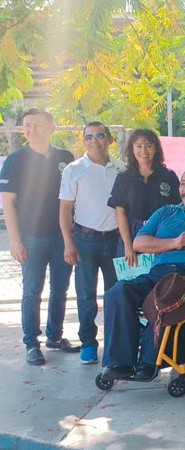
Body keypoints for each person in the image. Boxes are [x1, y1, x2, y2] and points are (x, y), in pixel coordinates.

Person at [100, 168, 185, 382]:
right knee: (117, 292)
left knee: (165, 297)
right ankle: (119, 362)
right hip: (158, 273)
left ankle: (148, 362)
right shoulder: (166, 212)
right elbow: (138, 243)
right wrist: (174, 242)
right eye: (183, 184)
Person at [0, 107, 78, 365]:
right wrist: (15, 241)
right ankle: (31, 343)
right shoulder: (15, 160)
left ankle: (54, 336)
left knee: (61, 289)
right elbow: (8, 203)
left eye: (37, 125)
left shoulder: (66, 158)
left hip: (62, 237)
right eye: (27, 126)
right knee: (32, 291)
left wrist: (72, 237)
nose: (31, 130)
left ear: (51, 127)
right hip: (31, 238)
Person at [58, 121, 125, 365]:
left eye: (99, 135)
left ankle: (116, 344)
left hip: (116, 239)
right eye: (88, 137)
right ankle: (88, 343)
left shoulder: (121, 168)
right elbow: (65, 209)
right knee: (86, 295)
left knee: (116, 294)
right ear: (83, 141)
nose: (93, 140)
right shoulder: (74, 170)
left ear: (109, 139)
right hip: (85, 240)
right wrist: (68, 243)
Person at [108, 129, 180, 267]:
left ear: (156, 149)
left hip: (161, 234)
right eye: (138, 146)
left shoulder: (168, 176)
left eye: (148, 146)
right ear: (132, 149)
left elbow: (176, 211)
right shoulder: (124, 178)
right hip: (132, 234)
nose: (144, 151)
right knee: (131, 284)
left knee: (159, 281)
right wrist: (128, 246)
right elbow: (120, 214)